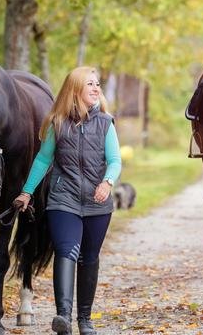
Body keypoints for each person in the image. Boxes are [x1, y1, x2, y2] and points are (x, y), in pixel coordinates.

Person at [13, 66, 122, 335]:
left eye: (97, 84)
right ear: (75, 90)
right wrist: (26, 192)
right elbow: (42, 160)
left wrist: (107, 183)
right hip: (64, 199)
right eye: (90, 84)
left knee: (89, 257)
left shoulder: (106, 123)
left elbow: (115, 161)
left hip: (98, 203)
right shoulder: (57, 123)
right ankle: (63, 316)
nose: (96, 89)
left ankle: (85, 319)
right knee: (66, 252)